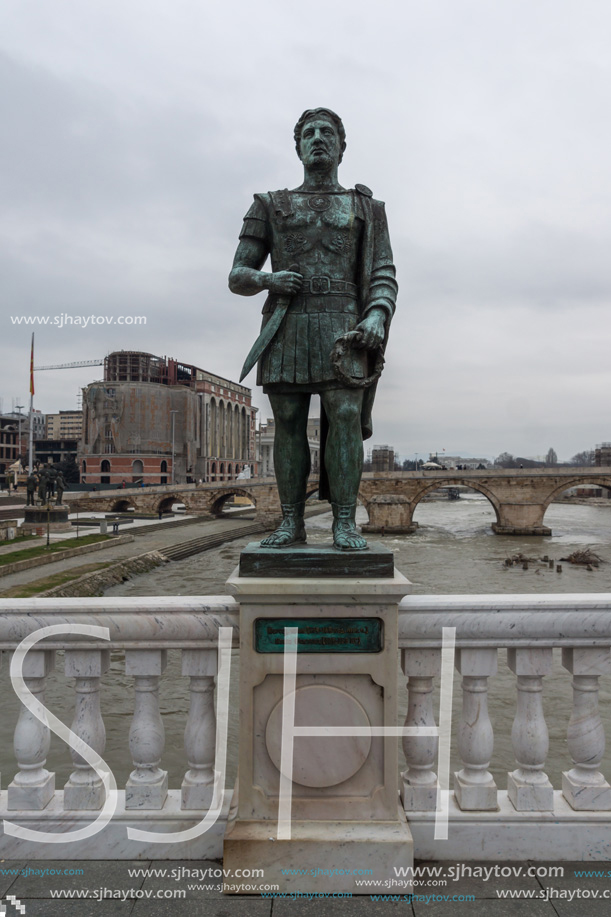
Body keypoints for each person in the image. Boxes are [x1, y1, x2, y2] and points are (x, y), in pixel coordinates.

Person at [229, 108, 397, 550]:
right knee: (287, 422)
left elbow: (383, 272)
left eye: (327, 133)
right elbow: (238, 276)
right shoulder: (269, 204)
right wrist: (269, 279)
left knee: (343, 418)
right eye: (309, 133)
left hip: (345, 326)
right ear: (298, 146)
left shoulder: (367, 208)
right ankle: (291, 523)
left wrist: (377, 314)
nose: (318, 138)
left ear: (342, 147)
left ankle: (345, 522)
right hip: (288, 322)